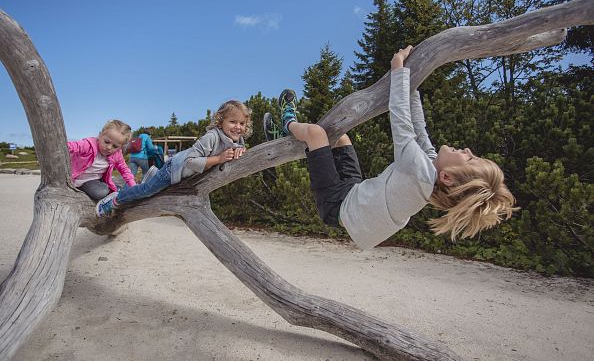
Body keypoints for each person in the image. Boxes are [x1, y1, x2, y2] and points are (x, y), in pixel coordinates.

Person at [263, 46, 515, 248]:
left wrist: (398, 71)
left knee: (317, 133)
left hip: (335, 205)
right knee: (340, 138)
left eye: (470, 159)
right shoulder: (429, 170)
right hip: (354, 192)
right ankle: (297, 136)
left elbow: (401, 120)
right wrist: (412, 84)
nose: (468, 151)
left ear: (447, 177)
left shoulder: (419, 172)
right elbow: (419, 127)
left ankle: (286, 124)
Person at [96, 100, 252, 218]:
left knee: (152, 187)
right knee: (146, 191)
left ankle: (152, 176)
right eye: (233, 122)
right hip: (174, 169)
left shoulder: (236, 140)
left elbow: (236, 148)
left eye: (242, 123)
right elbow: (189, 161)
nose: (238, 127)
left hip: (184, 175)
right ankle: (116, 199)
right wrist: (218, 158)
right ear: (220, 121)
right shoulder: (211, 137)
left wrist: (239, 151)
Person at [68, 120, 137, 201]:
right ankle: (114, 188)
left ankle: (113, 190)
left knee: (100, 192)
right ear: (100, 135)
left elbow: (124, 169)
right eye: (107, 142)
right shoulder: (88, 145)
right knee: (102, 191)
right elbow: (72, 146)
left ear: (120, 147)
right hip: (74, 177)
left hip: (90, 181)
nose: (109, 147)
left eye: (115, 146)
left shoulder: (117, 154)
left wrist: (133, 186)